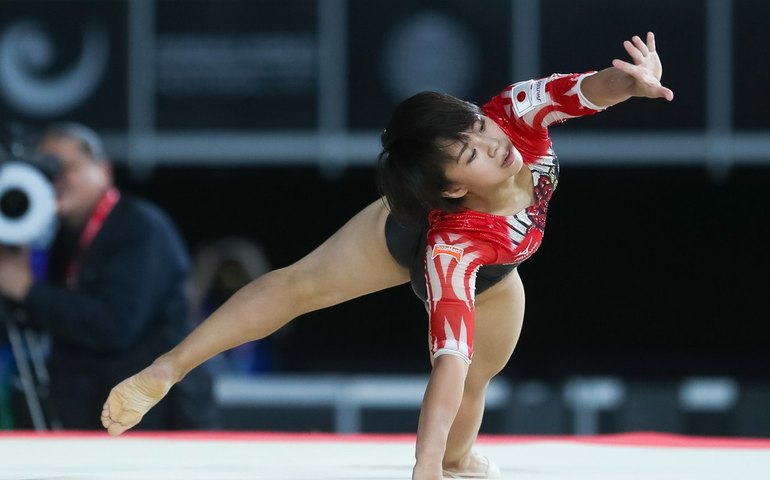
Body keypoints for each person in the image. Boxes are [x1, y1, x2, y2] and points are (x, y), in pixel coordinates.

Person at [101, 33, 673, 479]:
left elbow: (588, 90)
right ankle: (166, 369)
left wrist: (634, 84)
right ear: (450, 187)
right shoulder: (451, 247)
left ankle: (458, 457)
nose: (492, 145)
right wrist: (420, 472)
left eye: (477, 128)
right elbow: (445, 362)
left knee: (478, 384)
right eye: (470, 152)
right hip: (417, 237)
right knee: (300, 287)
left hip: (496, 272)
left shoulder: (512, 117)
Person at [0, 122, 217, 430]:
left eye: (64, 167)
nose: (53, 179)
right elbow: (41, 324)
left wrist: (27, 289)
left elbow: (114, 325)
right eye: (44, 171)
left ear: (103, 170)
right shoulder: (62, 236)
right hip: (102, 417)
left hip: (158, 421)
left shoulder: (140, 227)